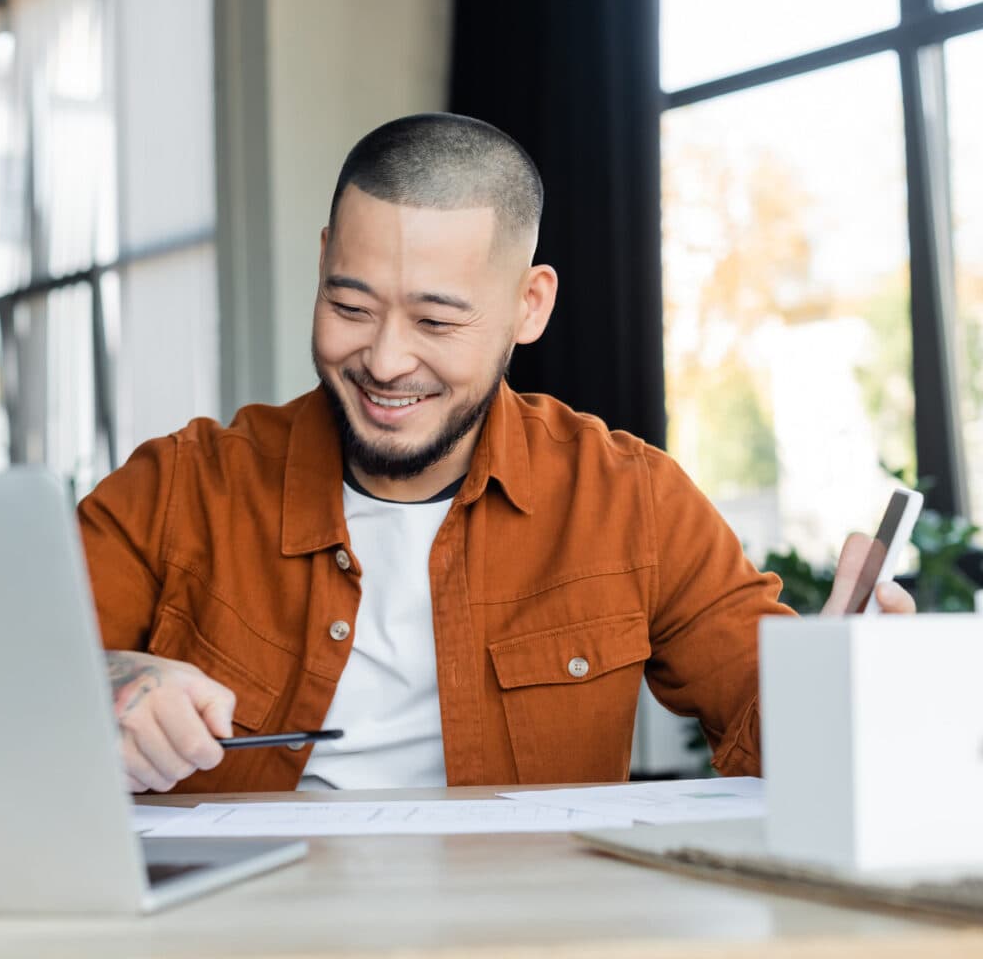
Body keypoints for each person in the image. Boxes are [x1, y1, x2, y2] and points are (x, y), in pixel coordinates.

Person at [79, 113, 914, 795]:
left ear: (529, 306)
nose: (385, 361)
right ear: (324, 260)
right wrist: (109, 682)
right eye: (351, 306)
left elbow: (776, 739)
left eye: (437, 321)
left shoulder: (631, 499)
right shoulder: (179, 486)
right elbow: (16, 675)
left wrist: (844, 685)